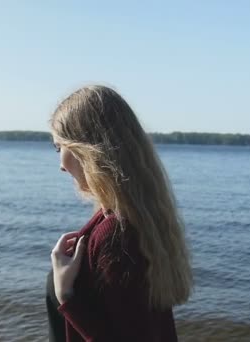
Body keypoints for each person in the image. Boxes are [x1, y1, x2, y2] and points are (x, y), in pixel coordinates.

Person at [45, 85, 193, 342]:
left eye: (60, 148)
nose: (60, 165)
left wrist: (66, 295)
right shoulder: (139, 219)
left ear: (87, 150)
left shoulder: (117, 235)